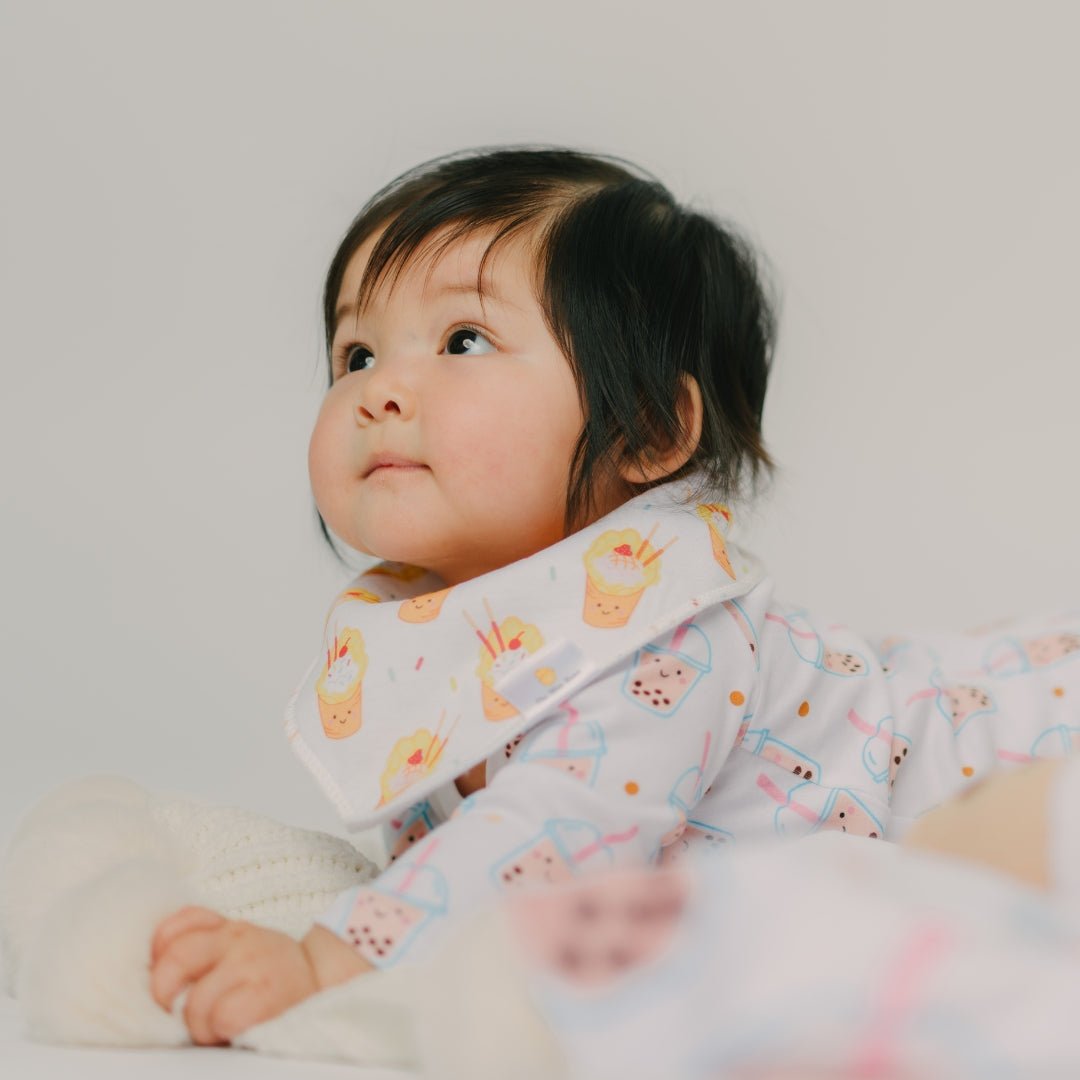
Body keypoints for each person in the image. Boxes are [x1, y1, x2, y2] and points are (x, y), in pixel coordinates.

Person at [148, 146, 1080, 1046]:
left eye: (462, 339)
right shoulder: (433, 630)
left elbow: (555, 835)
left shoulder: (662, 632)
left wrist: (329, 964)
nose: (381, 389)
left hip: (1014, 739)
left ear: (646, 429)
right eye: (355, 354)